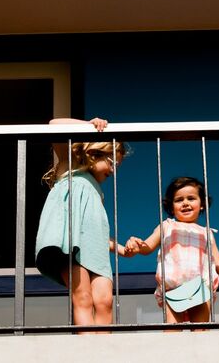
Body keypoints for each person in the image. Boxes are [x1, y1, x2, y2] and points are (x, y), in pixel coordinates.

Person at [35, 117, 134, 331]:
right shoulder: (70, 166)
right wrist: (89, 125)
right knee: (83, 296)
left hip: (95, 250)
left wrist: (119, 249)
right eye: (112, 163)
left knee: (105, 301)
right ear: (95, 153)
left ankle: (103, 344)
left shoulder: (97, 192)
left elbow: (94, 231)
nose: (114, 171)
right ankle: (88, 344)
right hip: (71, 245)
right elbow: (54, 124)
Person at [126, 177, 219, 325]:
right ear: (171, 207)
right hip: (173, 288)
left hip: (200, 288)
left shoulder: (206, 232)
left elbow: (218, 262)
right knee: (172, 330)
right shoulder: (167, 226)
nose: (185, 203)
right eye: (179, 200)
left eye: (191, 198)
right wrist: (137, 245)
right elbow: (148, 246)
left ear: (202, 204)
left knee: (201, 330)